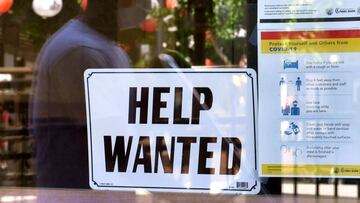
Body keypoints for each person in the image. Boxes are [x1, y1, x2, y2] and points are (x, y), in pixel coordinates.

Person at [29, 0, 130, 188]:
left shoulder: (100, 46)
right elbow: (106, 134)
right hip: (76, 186)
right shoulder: (80, 49)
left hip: (96, 185)